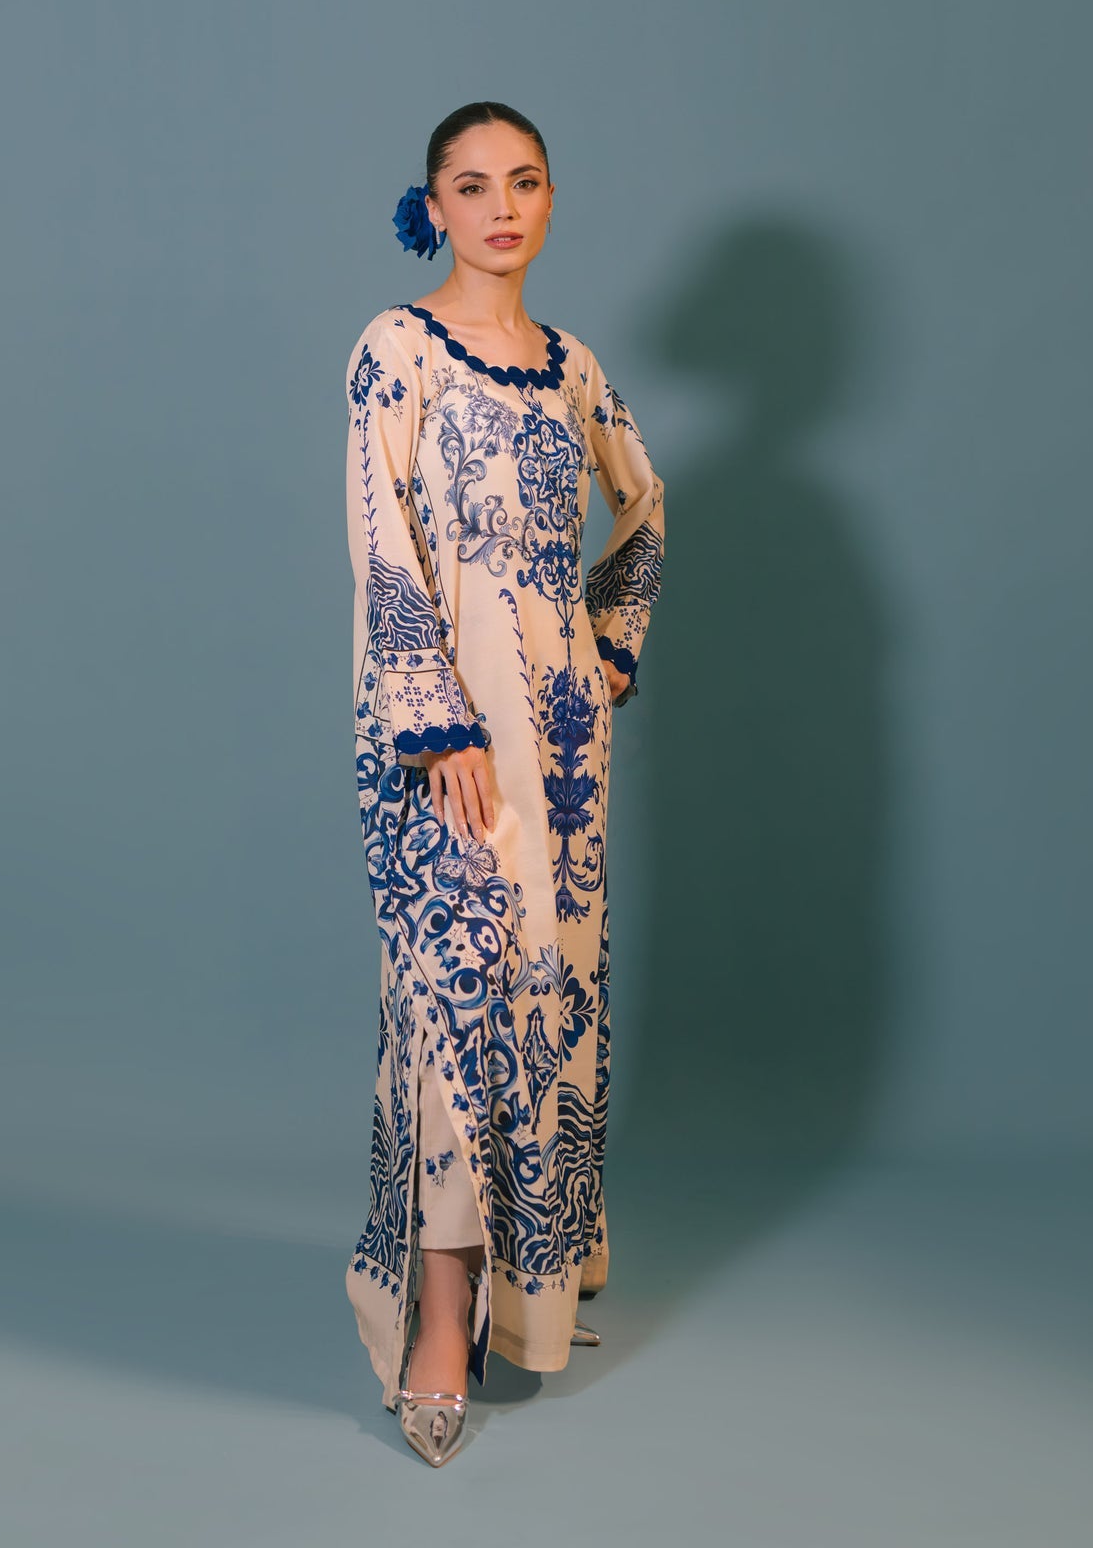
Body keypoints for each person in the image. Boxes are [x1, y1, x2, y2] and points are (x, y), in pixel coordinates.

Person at [343, 100, 665, 1465]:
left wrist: (606, 649)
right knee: (447, 1010)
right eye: (470, 186)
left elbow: (643, 505)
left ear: (548, 199)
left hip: (561, 752)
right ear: (434, 208)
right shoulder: (396, 350)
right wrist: (439, 725)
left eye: (522, 182)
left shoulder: (572, 364)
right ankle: (436, 1319)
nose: (500, 208)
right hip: (442, 741)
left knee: (543, 996)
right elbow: (383, 543)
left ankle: (532, 1290)